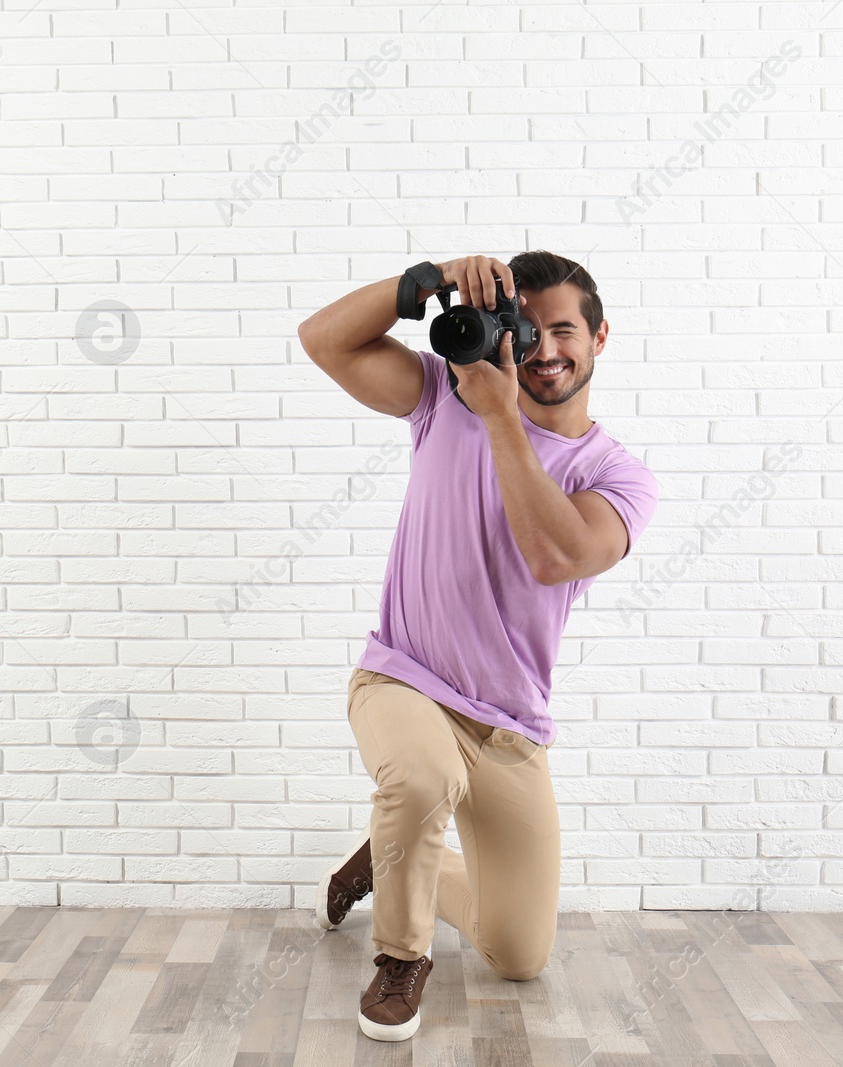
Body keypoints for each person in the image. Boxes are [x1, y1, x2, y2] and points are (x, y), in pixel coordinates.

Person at [299, 252, 659, 1042]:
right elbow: (323, 339)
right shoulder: (443, 399)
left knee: (520, 952)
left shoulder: (617, 474)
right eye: (526, 330)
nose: (544, 349)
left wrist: (501, 415)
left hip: (507, 727)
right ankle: (400, 959)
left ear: (599, 336)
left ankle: (393, 856)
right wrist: (415, 284)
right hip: (404, 680)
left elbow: (554, 556)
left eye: (564, 329)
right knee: (422, 776)